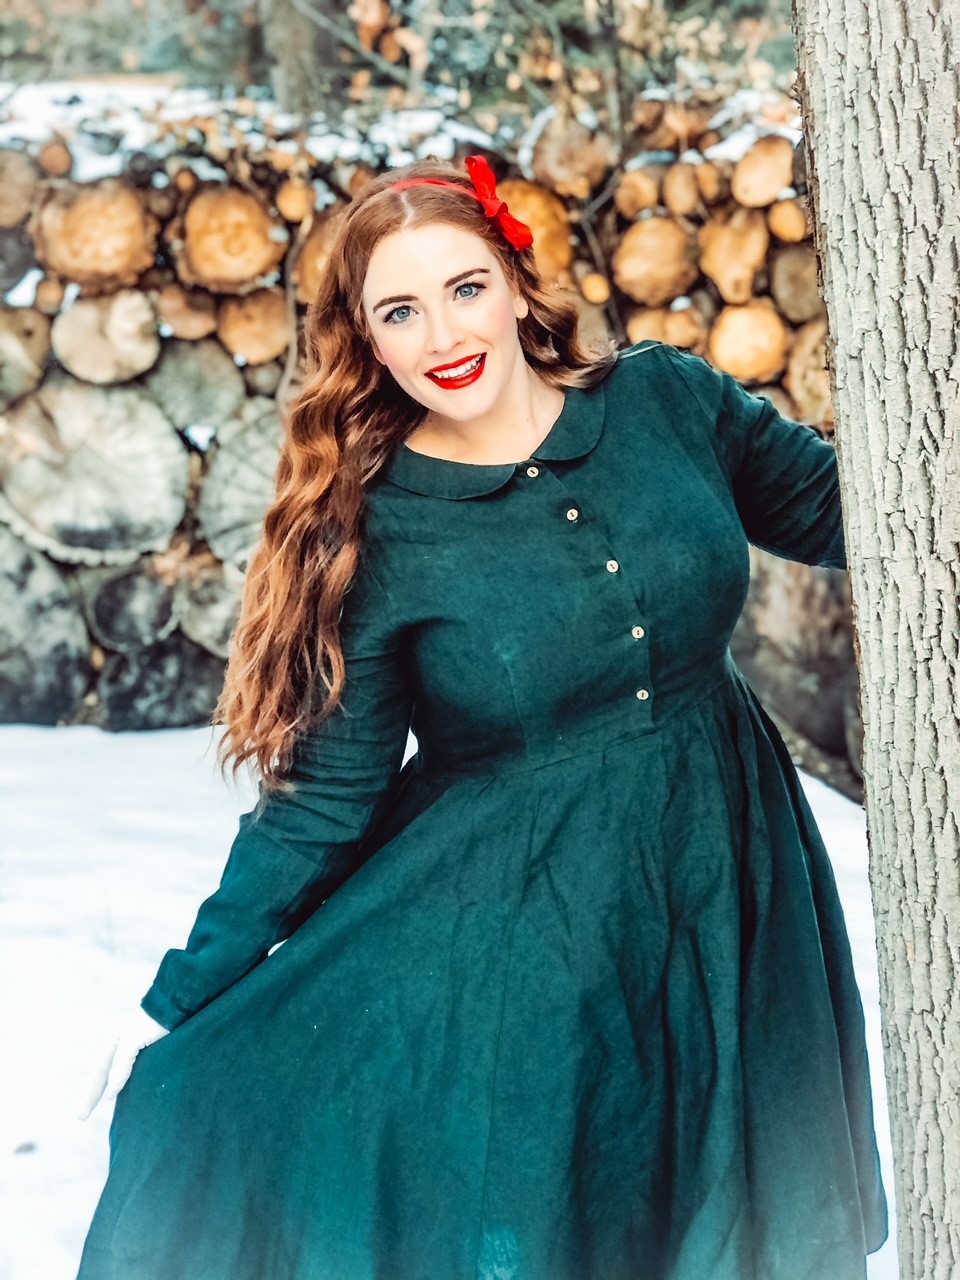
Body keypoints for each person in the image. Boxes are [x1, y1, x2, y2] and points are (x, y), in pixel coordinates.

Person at [77, 153, 888, 1280]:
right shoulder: (376, 527)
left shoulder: (668, 400)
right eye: (398, 311)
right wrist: (184, 995)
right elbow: (323, 799)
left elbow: (864, 504)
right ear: (365, 338)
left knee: (738, 1214)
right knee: (576, 1221)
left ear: (516, 281)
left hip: (730, 876)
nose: (442, 333)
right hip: (525, 944)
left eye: (463, 287)